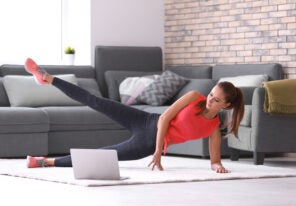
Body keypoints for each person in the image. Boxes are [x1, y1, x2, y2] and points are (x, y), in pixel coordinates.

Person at [24, 58, 244, 173]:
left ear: (226, 106)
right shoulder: (195, 96)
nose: (210, 99)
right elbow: (166, 118)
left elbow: (214, 161)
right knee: (97, 101)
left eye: (216, 100)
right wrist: (159, 151)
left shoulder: (213, 128)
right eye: (211, 94)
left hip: (146, 142)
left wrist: (218, 166)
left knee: (102, 155)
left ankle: (45, 162)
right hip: (147, 120)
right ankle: (47, 78)